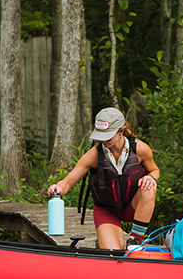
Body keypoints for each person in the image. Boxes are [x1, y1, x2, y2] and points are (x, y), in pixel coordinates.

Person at [48, 107, 160, 250]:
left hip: (133, 206)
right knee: (112, 253)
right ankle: (103, 240)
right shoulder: (93, 155)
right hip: (107, 210)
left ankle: (135, 241)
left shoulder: (140, 149)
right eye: (99, 136)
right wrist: (58, 188)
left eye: (107, 137)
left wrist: (151, 177)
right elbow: (67, 182)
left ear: (120, 132)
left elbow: (155, 170)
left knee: (149, 187)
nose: (103, 141)